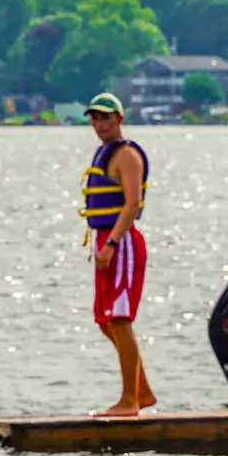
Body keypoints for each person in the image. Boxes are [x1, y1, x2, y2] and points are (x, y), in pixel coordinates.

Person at [81, 93, 155, 417]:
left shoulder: (126, 155)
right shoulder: (104, 153)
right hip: (105, 240)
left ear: (120, 119)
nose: (99, 124)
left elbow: (133, 204)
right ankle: (142, 391)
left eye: (105, 118)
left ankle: (129, 402)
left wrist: (111, 244)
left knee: (120, 319)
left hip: (120, 242)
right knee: (105, 321)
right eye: (94, 118)